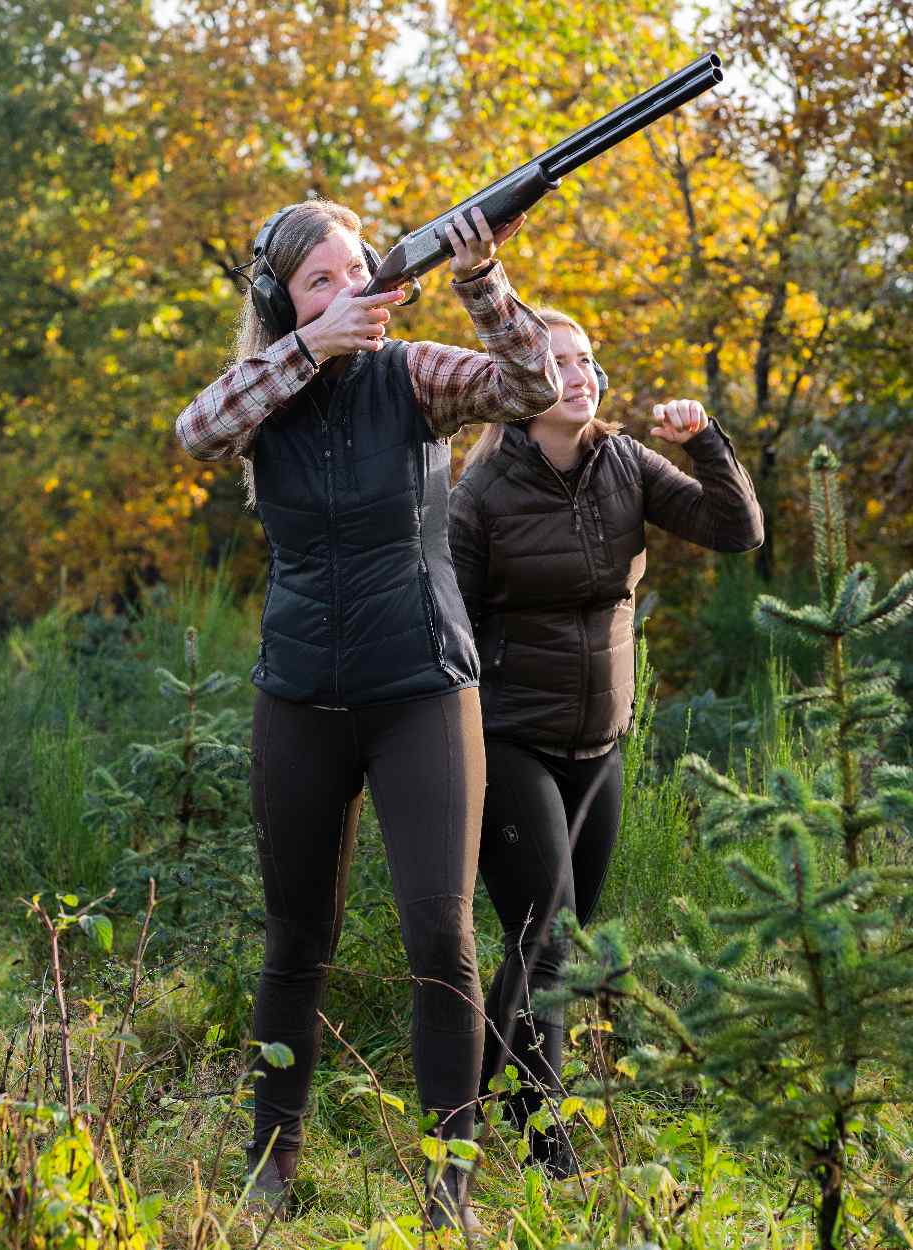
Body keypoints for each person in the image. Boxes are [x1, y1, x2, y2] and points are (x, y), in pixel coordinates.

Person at [174, 199, 561, 1232]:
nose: (350, 291)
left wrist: (485, 284)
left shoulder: (412, 372)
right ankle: (270, 1162)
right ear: (281, 300)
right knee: (296, 935)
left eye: (358, 271)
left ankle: (449, 1190)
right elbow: (194, 433)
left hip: (422, 685)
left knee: (442, 932)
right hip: (299, 690)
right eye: (319, 280)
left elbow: (533, 386)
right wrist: (307, 348)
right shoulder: (267, 389)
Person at [448, 307, 764, 1174]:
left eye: (590, 360)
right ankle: (546, 1145)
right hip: (510, 737)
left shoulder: (625, 463)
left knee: (561, 933)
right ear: (521, 384)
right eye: (561, 362)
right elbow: (455, 629)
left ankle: (468, 1114)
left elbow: (737, 532)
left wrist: (707, 444)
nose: (583, 375)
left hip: (600, 741)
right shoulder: (480, 493)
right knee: (540, 934)